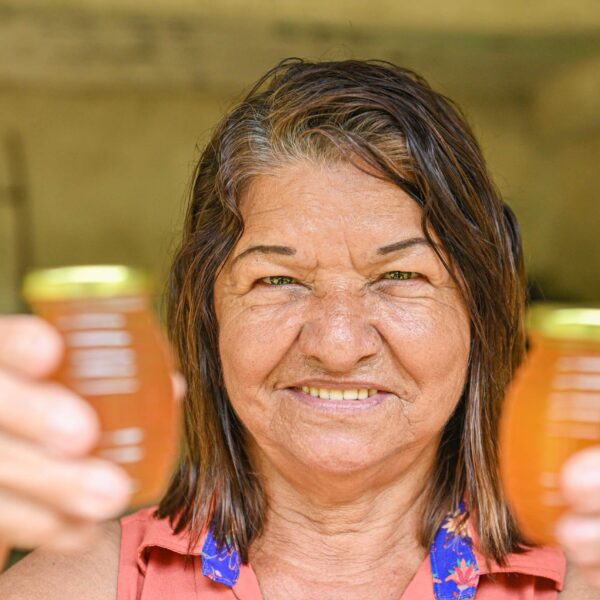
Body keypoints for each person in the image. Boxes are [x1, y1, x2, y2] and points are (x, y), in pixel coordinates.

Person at [0, 58, 599, 599]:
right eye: (278, 281)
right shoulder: (95, 581)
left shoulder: (577, 582)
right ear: (209, 317)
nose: (337, 347)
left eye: (399, 274)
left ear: (480, 313)